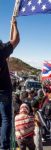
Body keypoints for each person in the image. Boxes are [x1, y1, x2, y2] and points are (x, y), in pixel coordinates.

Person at [0, 17, 20, 149]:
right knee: (6, 119)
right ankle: (4, 146)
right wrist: (14, 25)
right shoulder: (1, 50)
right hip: (4, 90)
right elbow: (16, 40)